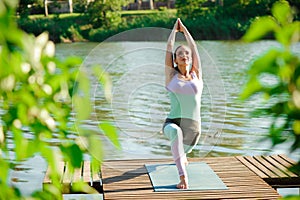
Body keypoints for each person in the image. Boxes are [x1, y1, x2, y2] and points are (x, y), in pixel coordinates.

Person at [163, 18, 203, 189]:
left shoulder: (197, 76)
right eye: (180, 54)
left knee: (182, 148)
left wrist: (185, 31)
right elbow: (168, 48)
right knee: (176, 133)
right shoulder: (171, 76)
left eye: (186, 54)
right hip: (172, 123)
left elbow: (194, 48)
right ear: (175, 60)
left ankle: (183, 156)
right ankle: (183, 178)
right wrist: (174, 30)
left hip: (194, 130)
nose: (184, 55)